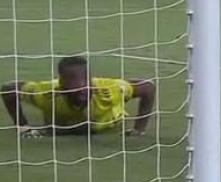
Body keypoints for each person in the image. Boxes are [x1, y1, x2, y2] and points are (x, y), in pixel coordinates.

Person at [1, 56, 156, 138]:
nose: (81, 86)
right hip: (61, 127)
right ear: (61, 83)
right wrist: (23, 126)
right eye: (73, 80)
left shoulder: (109, 91)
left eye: (85, 79)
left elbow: (148, 87)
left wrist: (138, 129)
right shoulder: (47, 95)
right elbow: (8, 89)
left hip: (107, 122)